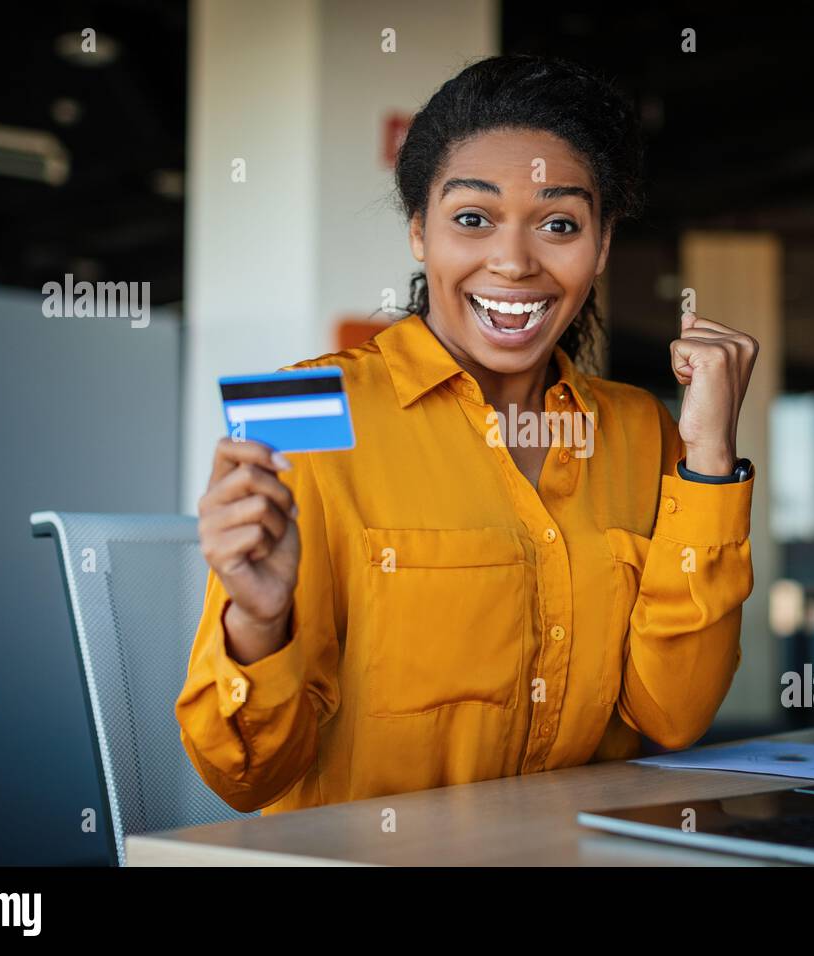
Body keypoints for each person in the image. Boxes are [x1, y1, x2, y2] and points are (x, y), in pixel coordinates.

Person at [176, 54, 758, 813]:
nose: (514, 262)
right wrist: (257, 620)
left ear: (603, 245)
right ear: (419, 231)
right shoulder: (300, 406)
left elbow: (674, 716)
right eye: (472, 219)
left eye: (558, 223)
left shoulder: (641, 429)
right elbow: (241, 779)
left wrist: (710, 458)